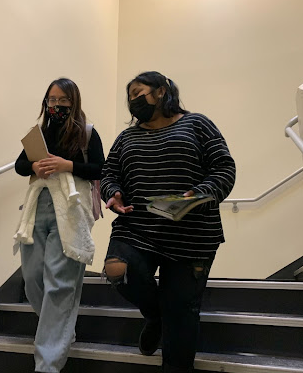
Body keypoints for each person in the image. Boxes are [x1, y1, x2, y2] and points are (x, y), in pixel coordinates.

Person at [100, 71, 236, 373]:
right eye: (130, 96)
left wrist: (198, 195)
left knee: (182, 313)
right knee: (116, 269)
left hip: (192, 235)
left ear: (161, 91)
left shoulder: (197, 124)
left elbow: (224, 168)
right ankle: (155, 315)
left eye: (139, 92)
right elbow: (109, 174)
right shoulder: (126, 137)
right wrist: (114, 193)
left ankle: (168, 333)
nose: (133, 101)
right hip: (136, 227)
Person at [14, 78, 104, 373]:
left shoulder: (88, 134)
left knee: (59, 284)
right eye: (51, 100)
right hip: (38, 206)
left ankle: (47, 365)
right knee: (32, 277)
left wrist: (68, 165)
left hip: (70, 210)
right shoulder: (39, 133)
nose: (56, 105)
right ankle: (62, 329)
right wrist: (34, 166)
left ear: (73, 102)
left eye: (62, 100)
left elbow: (101, 168)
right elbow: (19, 165)